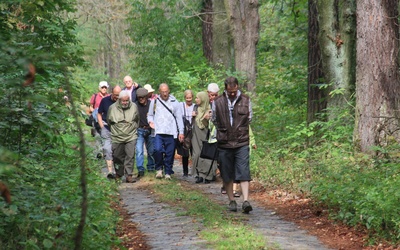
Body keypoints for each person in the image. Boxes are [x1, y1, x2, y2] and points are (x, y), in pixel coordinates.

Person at [211, 76, 253, 213]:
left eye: (234, 90)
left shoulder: (246, 100)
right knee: (226, 173)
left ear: (237, 87)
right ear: (225, 89)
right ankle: (232, 201)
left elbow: (250, 118)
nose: (232, 93)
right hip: (224, 143)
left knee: (244, 171)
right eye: (230, 91)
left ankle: (246, 201)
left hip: (242, 142)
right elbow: (214, 119)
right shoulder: (217, 102)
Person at [147, 83, 184, 180]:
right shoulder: (154, 101)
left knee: (170, 153)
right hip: (158, 131)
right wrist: (151, 122)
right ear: (159, 92)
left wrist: (181, 132)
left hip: (171, 131)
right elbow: (150, 114)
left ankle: (168, 171)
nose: (165, 94)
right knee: (157, 150)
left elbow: (179, 117)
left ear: (169, 91)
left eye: (166, 92)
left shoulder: (174, 101)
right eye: (163, 92)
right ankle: (159, 169)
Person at [107, 90, 139, 183]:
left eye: (127, 100)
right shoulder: (112, 108)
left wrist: (132, 129)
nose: (125, 102)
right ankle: (119, 174)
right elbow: (109, 122)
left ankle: (129, 175)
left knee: (130, 155)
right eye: (123, 101)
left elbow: (137, 120)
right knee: (117, 156)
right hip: (117, 136)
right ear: (119, 100)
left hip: (131, 136)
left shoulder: (134, 107)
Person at [191, 92, 216, 183]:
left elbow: (214, 124)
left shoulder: (210, 109)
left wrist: (208, 118)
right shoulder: (195, 108)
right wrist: (192, 116)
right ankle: (198, 174)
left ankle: (207, 174)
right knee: (196, 154)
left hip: (207, 134)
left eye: (198, 98)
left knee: (206, 154)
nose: (196, 100)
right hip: (196, 134)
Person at [97, 85, 122, 178]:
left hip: (118, 130)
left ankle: (118, 171)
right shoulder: (105, 100)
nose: (117, 97)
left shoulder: (122, 101)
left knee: (117, 151)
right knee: (107, 149)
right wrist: (101, 126)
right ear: (112, 92)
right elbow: (99, 113)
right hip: (106, 128)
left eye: (119, 95)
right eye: (116, 95)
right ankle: (110, 171)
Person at [135, 88, 155, 178]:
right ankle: (140, 168)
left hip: (150, 129)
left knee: (151, 151)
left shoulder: (151, 104)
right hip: (139, 130)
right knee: (139, 150)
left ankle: (151, 167)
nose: (141, 99)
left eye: (142, 97)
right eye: (139, 97)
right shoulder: (135, 106)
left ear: (146, 97)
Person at [177, 89, 195, 177]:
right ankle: (185, 171)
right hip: (185, 130)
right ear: (185, 98)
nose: (189, 100)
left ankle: (194, 171)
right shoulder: (181, 105)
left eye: (190, 98)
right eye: (187, 98)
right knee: (185, 153)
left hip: (193, 131)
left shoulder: (195, 106)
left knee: (194, 152)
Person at [89, 81, 110, 157]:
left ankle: (106, 151)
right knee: (98, 135)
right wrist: (94, 110)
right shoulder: (95, 96)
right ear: (99, 88)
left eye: (105, 87)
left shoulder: (109, 96)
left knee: (105, 135)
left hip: (106, 120)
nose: (104, 89)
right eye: (102, 87)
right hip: (96, 120)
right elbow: (91, 106)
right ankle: (99, 152)